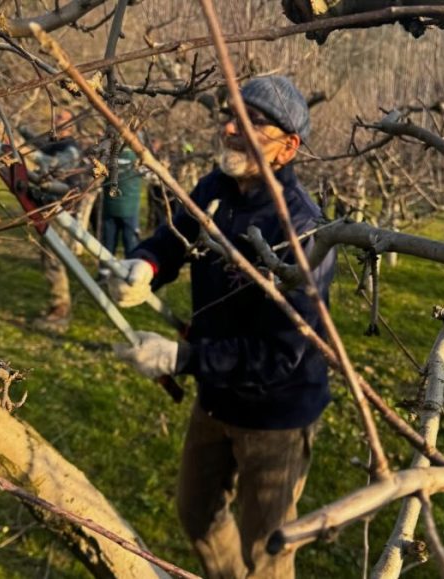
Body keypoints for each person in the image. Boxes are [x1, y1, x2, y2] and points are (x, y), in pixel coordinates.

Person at [109, 75, 336, 578]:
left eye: (253, 123)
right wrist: (145, 264)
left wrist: (183, 359)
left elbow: (280, 354)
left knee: (268, 549)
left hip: (276, 414)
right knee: (197, 512)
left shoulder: (302, 232)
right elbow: (175, 236)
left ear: (288, 147)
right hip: (216, 396)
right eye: (230, 114)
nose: (230, 128)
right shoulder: (216, 189)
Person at [27, 111, 85, 333]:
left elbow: (53, 164)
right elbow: (36, 141)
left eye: (60, 119)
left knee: (54, 258)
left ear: (70, 126)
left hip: (61, 210)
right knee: (47, 257)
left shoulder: (69, 148)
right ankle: (57, 302)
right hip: (48, 207)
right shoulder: (55, 143)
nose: (55, 120)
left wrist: (28, 153)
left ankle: (61, 306)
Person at [98, 145, 144, 277]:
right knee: (130, 243)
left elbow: (96, 173)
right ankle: (130, 274)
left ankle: (104, 274)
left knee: (108, 243)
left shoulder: (108, 156)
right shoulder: (139, 158)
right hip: (130, 209)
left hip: (110, 207)